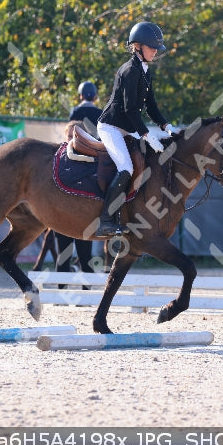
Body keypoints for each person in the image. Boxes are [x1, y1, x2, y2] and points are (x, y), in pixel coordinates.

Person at [95, 21, 180, 237]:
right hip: (112, 126)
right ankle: (105, 220)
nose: (155, 52)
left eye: (156, 49)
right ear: (138, 46)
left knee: (148, 160)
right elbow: (130, 109)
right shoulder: (130, 70)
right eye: (152, 48)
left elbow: (150, 105)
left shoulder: (145, 71)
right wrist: (145, 134)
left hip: (128, 126)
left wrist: (166, 125)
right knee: (126, 167)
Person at [55, 82, 103, 272]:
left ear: (81, 95)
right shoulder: (100, 111)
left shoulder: (75, 110)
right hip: (94, 153)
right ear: (95, 96)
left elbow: (71, 131)